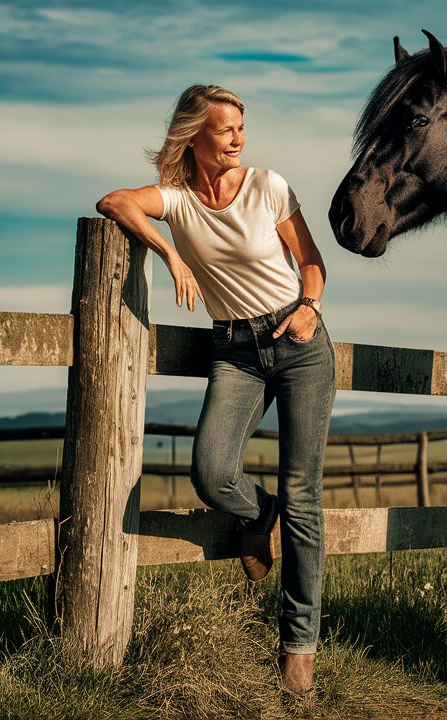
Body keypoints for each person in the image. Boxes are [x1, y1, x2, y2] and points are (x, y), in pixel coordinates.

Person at [96, 84, 334, 695]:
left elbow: (312, 261)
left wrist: (309, 307)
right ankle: (260, 513)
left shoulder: (268, 185)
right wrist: (170, 254)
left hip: (300, 342)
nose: (237, 139)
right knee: (211, 471)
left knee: (303, 495)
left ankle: (298, 649)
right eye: (225, 129)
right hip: (234, 350)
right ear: (193, 135)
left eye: (240, 128)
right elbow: (114, 201)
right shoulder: (176, 201)